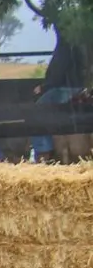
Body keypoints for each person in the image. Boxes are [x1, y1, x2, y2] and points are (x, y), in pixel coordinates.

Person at [31, 18, 88, 162]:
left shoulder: (64, 46)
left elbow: (58, 72)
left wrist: (44, 87)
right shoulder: (80, 43)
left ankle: (44, 150)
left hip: (64, 89)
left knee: (38, 111)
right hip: (79, 87)